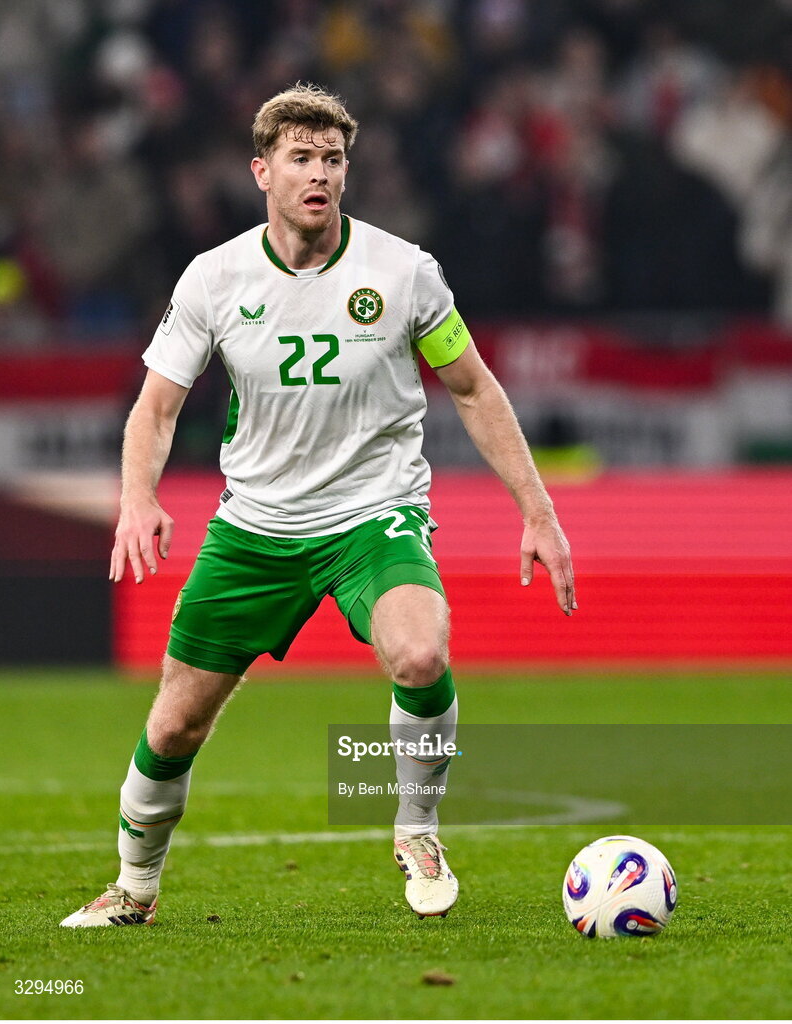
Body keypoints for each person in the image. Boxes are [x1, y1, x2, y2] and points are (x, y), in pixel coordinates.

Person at [60, 83, 576, 928]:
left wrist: (539, 511)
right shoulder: (215, 278)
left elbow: (473, 388)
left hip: (374, 515)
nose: (320, 175)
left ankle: (417, 829)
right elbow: (156, 408)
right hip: (256, 527)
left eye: (333, 159)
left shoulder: (404, 273)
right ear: (261, 172)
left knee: (421, 654)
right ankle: (134, 889)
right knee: (175, 724)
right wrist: (138, 497)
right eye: (300, 158)